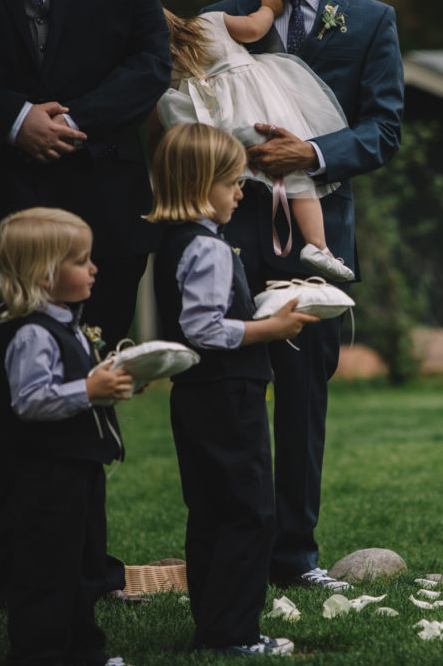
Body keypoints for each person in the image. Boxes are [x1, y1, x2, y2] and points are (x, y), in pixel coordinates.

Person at [0, 0, 171, 608]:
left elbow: (150, 59)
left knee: (86, 387)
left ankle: (84, 567)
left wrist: (75, 120)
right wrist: (12, 119)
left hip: (100, 201)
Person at [203, 0, 403, 591]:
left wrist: (311, 153)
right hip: (231, 228)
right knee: (227, 394)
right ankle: (230, 549)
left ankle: (294, 556)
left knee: (302, 401)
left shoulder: (371, 20)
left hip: (318, 241)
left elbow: (384, 128)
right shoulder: (229, 14)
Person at [148, 123, 315, 656]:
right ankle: (234, 635)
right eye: (232, 184)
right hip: (228, 396)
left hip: (196, 395)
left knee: (212, 513)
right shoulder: (209, 248)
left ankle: (216, 626)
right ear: (201, 185)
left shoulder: (176, 242)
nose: (241, 193)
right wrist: (272, 328)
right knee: (247, 514)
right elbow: (206, 329)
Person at [0, 207, 132, 666]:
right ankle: (41, 653)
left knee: (84, 566)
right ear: (44, 273)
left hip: (81, 470)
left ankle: (84, 651)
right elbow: (30, 401)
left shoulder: (71, 324)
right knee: (48, 570)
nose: (93, 268)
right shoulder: (34, 334)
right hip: (48, 476)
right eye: (81, 261)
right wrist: (88, 389)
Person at [158, 0, 353, 282]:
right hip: (259, 109)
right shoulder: (208, 22)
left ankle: (211, 225)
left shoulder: (163, 64)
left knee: (225, 172)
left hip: (220, 127)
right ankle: (318, 245)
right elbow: (253, 29)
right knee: (297, 171)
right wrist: (269, 9)